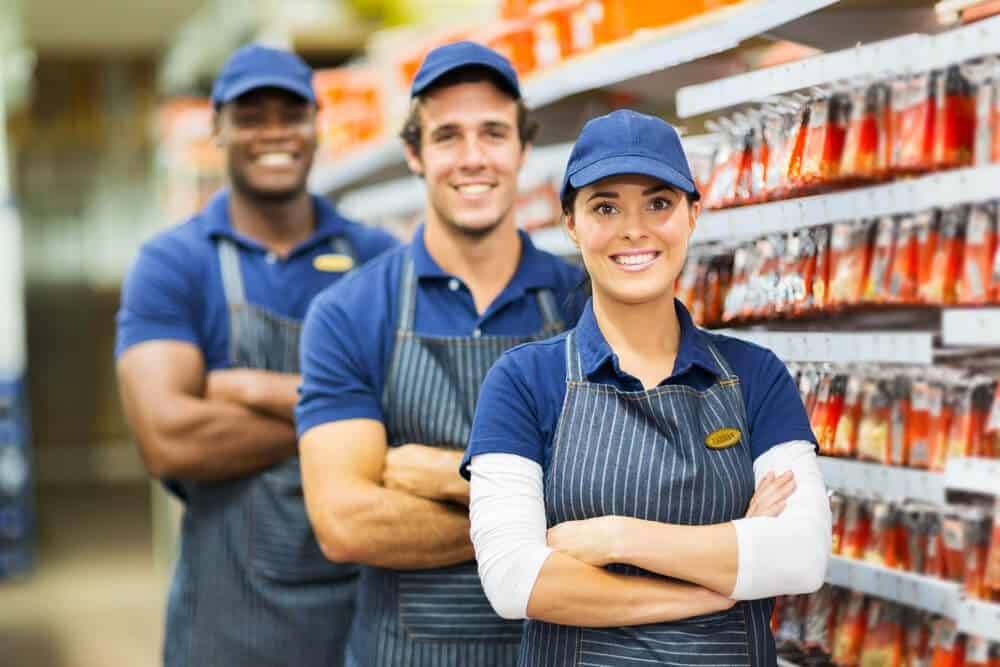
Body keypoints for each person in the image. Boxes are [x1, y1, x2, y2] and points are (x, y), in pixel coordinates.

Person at [462, 109, 832, 666]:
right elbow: (517, 582)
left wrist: (616, 538)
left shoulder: (756, 375)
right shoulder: (522, 382)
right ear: (571, 224)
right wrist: (724, 574)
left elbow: (801, 557)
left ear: (693, 215)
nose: (634, 229)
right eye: (605, 207)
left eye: (659, 203)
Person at [296, 42, 585, 666]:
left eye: (493, 132)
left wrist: (447, 478)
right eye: (448, 135)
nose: (473, 158)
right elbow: (345, 522)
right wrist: (552, 524)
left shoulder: (585, 302)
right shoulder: (350, 313)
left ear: (522, 149)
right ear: (413, 153)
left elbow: (638, 495)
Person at [115, 44, 398, 667]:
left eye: (290, 113)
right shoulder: (175, 263)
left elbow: (411, 410)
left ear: (315, 125)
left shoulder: (379, 258)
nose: (273, 132)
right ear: (218, 127)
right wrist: (350, 417)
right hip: (231, 622)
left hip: (366, 613)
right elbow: (171, 438)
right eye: (251, 115)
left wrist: (245, 388)